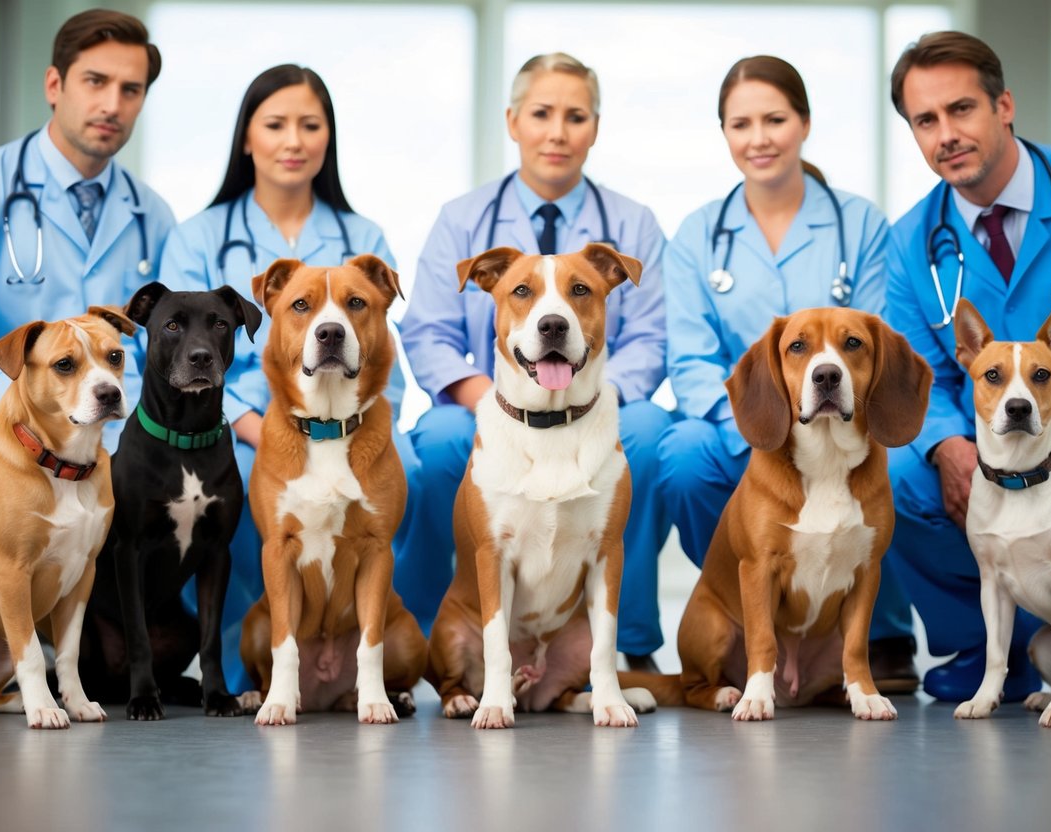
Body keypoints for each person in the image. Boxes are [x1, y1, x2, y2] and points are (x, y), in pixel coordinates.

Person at [397, 52, 672, 670]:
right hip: (493, 402)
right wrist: (484, 400)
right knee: (441, 441)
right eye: (541, 113)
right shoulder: (463, 220)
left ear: (594, 128)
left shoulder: (634, 224)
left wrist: (593, 401)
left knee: (651, 436)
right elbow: (428, 331)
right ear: (513, 120)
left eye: (575, 116)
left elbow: (651, 339)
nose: (557, 131)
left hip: (598, 401)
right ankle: (422, 632)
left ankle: (627, 639)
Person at [884, 31, 1051, 701]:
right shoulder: (910, 243)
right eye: (924, 121)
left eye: (960, 109)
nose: (945, 134)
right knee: (894, 476)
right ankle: (980, 648)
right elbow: (919, 378)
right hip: (995, 460)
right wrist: (945, 445)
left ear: (1003, 106)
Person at [657, 55, 919, 692]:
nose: (760, 137)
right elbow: (690, 359)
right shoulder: (697, 235)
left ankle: (878, 634)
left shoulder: (860, 223)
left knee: (904, 469)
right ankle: (757, 615)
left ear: (803, 122)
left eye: (775, 118)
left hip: (851, 419)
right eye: (741, 123)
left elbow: (879, 337)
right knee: (682, 458)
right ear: (724, 134)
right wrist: (757, 425)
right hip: (747, 423)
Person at [159, 64, 410, 693]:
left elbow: (385, 362)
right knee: (236, 490)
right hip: (235, 425)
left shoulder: (364, 237)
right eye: (275, 124)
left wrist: (358, 429)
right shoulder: (197, 237)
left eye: (310, 124)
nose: (293, 140)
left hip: (351, 427)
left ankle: (386, 648)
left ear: (329, 138)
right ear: (247, 138)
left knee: (422, 472)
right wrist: (252, 424)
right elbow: (171, 355)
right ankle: (253, 664)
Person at [0, 8, 175, 491]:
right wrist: (28, 402)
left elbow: (154, 344)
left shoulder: (153, 216)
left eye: (131, 90)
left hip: (114, 425)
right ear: (54, 85)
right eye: (95, 82)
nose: (112, 105)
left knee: (161, 513)